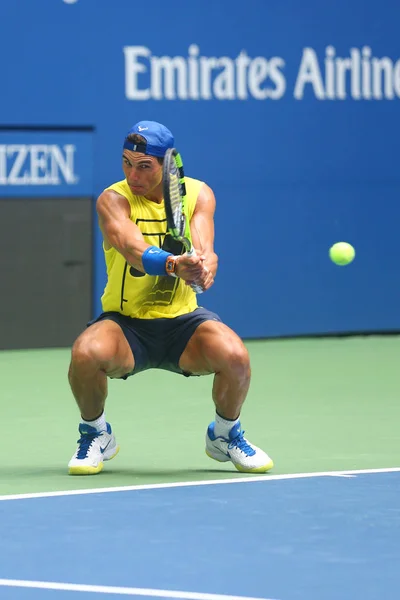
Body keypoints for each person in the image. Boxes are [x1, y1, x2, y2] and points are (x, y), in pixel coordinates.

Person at [67, 120, 273, 475]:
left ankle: (224, 435)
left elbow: (206, 247)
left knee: (235, 356)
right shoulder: (113, 199)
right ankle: (96, 433)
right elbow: (133, 249)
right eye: (126, 163)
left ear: (168, 165)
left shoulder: (198, 194)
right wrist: (175, 264)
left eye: (144, 166)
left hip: (183, 325)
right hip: (127, 325)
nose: (133, 174)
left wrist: (203, 266)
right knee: (85, 355)